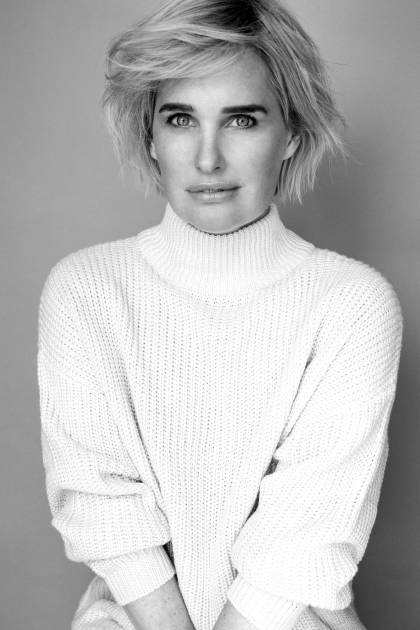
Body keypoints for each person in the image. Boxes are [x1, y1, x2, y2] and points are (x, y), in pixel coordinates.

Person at [37, 1, 404, 629]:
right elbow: (99, 501)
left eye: (242, 119)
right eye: (181, 119)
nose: (208, 159)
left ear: (291, 135)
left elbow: (307, 532)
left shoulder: (352, 304)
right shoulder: (85, 290)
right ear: (150, 137)